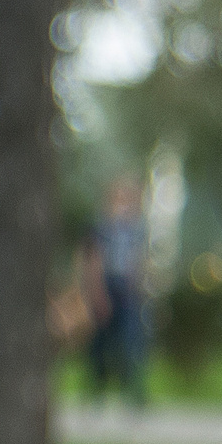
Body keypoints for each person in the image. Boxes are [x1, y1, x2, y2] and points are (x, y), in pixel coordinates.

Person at [82, 175, 150, 409]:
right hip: (106, 284)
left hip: (128, 289)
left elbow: (140, 260)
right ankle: (96, 392)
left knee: (131, 341)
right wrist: (97, 292)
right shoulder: (101, 228)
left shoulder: (137, 228)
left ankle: (133, 395)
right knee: (100, 343)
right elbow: (93, 261)